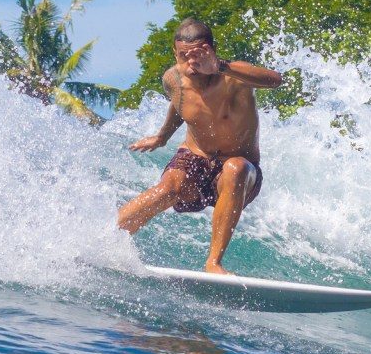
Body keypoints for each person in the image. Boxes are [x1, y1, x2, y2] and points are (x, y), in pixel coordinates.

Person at [117, 18, 283, 274]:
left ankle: (213, 263)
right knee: (167, 188)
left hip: (238, 169)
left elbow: (275, 80)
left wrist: (221, 66)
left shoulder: (235, 77)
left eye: (199, 56)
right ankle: (104, 238)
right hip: (196, 157)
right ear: (175, 53)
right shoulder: (172, 79)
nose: (191, 64)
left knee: (235, 168)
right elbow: (179, 103)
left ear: (212, 50)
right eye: (184, 56)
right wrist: (162, 137)